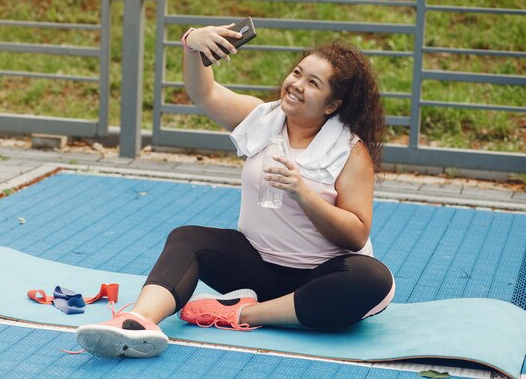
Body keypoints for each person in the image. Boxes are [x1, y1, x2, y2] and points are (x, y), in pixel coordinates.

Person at [75, 23, 395, 358]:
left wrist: (303, 193)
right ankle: (137, 323)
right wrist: (192, 45)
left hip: (320, 278)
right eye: (297, 73)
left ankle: (242, 313)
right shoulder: (262, 118)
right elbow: (205, 93)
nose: (296, 85)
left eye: (312, 83)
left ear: (332, 105)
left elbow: (356, 235)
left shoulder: (350, 151)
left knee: (372, 277)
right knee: (187, 237)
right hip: (257, 268)